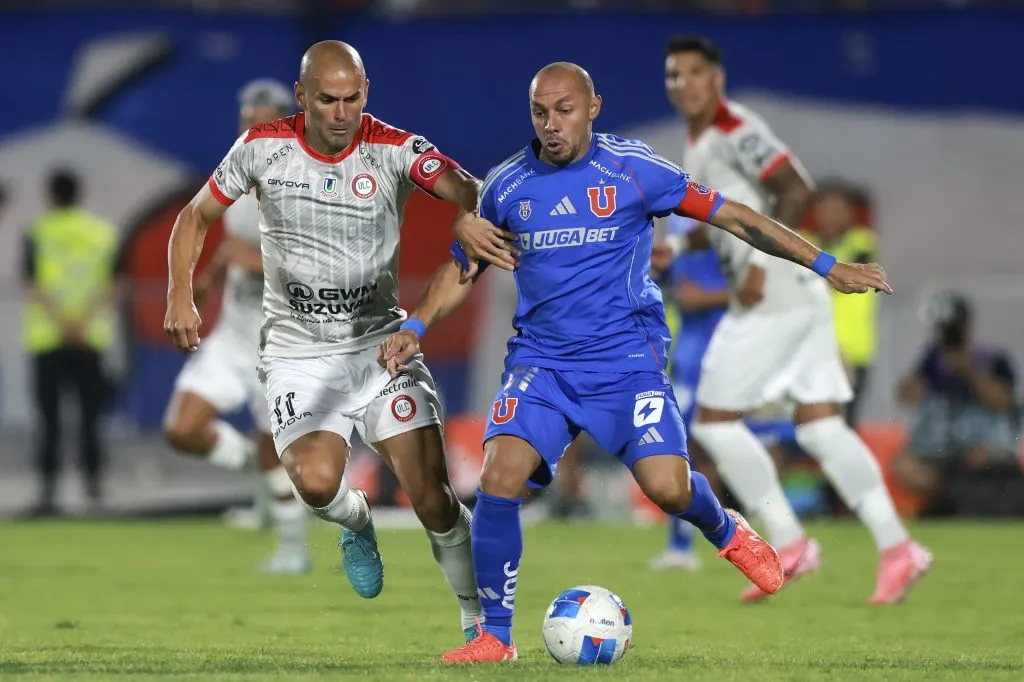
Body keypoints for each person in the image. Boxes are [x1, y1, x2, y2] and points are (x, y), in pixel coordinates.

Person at [379, 62, 891, 664]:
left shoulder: (634, 170)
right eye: (539, 112)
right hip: (543, 363)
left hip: (627, 361)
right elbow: (464, 265)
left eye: (564, 110)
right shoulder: (506, 185)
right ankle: (496, 637)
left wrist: (831, 267)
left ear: (594, 106)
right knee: (497, 480)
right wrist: (416, 325)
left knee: (669, 490)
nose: (551, 125)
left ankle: (724, 529)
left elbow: (734, 216)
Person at [164, 41, 513, 642]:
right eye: (327, 100)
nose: (341, 112)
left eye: (352, 98)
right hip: (298, 354)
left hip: (380, 345)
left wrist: (465, 208)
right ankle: (357, 523)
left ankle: (480, 630)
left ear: (366, 92)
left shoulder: (395, 148)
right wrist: (178, 294)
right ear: (303, 97)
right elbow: (194, 216)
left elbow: (464, 185)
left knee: (432, 498)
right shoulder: (261, 147)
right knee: (319, 484)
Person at [663, 34, 930, 605]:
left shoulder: (735, 128)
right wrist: (677, 254)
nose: (681, 84)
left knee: (712, 420)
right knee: (820, 426)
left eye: (692, 73)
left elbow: (793, 188)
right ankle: (898, 547)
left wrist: (759, 265)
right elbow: (725, 222)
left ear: (717, 79)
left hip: (775, 292)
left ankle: (788, 540)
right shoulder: (699, 141)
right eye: (673, 75)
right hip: (796, 295)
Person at [163, 79, 310, 574]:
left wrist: (261, 261)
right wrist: (205, 281)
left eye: (263, 123)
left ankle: (293, 550)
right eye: (247, 123)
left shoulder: (305, 186)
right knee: (183, 429)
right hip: (233, 335)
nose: (253, 132)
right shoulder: (233, 177)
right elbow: (227, 242)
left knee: (276, 451)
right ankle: (255, 470)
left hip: (280, 344)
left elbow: (323, 268)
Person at [649, 216, 797, 572]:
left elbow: (764, 293)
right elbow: (669, 287)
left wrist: (713, 296)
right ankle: (682, 545)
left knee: (754, 446)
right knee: (683, 452)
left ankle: (782, 533)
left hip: (734, 365)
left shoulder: (737, 251)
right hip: (690, 365)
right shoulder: (680, 251)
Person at [22, 169, 118, 516]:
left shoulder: (37, 232)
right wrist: (82, 323)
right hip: (89, 338)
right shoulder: (103, 233)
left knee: (49, 420)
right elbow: (113, 286)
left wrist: (63, 323)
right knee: (90, 418)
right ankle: (94, 488)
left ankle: (48, 492)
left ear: (51, 194)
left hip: (48, 338)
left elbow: (31, 283)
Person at [893, 291, 1021, 515]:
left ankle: (952, 502)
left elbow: (1004, 402)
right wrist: (925, 368)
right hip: (942, 446)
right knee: (904, 465)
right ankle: (948, 499)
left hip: (982, 443)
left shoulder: (993, 358)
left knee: (980, 456)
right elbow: (907, 397)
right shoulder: (934, 358)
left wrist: (969, 371)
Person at [804, 182, 879, 428]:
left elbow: (839, 275)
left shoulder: (862, 243)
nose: (832, 216)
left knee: (844, 423)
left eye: (838, 209)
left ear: (849, 213)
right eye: (826, 208)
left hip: (853, 351)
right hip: (809, 348)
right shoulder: (804, 241)